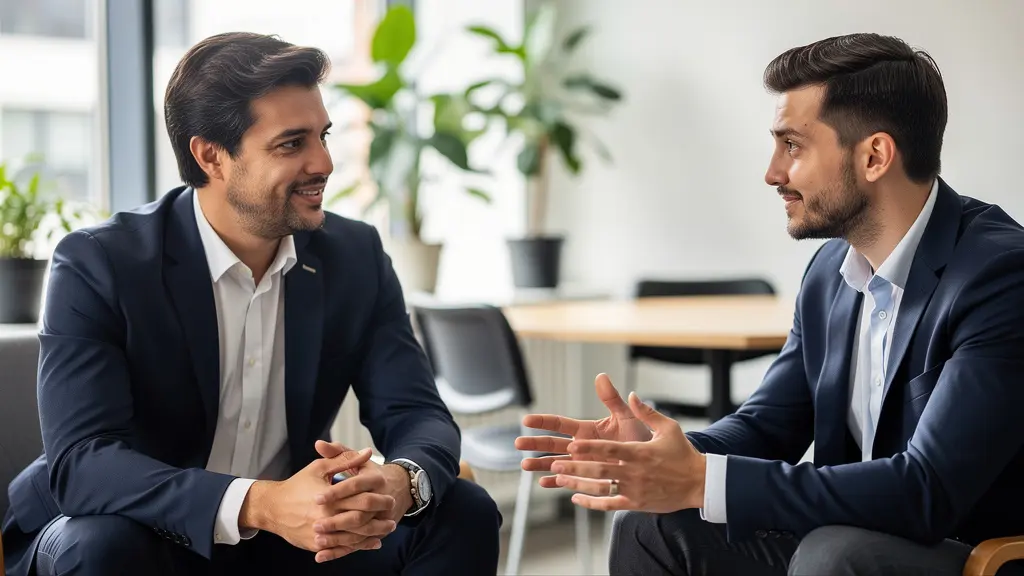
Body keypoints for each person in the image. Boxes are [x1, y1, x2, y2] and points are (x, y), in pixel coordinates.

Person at [516, 32, 1024, 576]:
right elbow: (767, 427)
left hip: (969, 551)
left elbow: (927, 490)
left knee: (832, 554)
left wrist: (700, 480)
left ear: (874, 156)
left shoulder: (1000, 276)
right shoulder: (829, 273)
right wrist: (664, 452)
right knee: (649, 523)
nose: (773, 172)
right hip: (846, 540)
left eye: (793, 146)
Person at [0, 32, 500, 576]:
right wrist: (260, 503)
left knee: (463, 512)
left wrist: (400, 483)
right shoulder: (100, 263)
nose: (324, 162)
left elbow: (417, 413)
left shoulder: (354, 256)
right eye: (291, 144)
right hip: (147, 530)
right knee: (102, 546)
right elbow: (83, 464)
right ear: (211, 156)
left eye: (323, 136)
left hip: (292, 537)